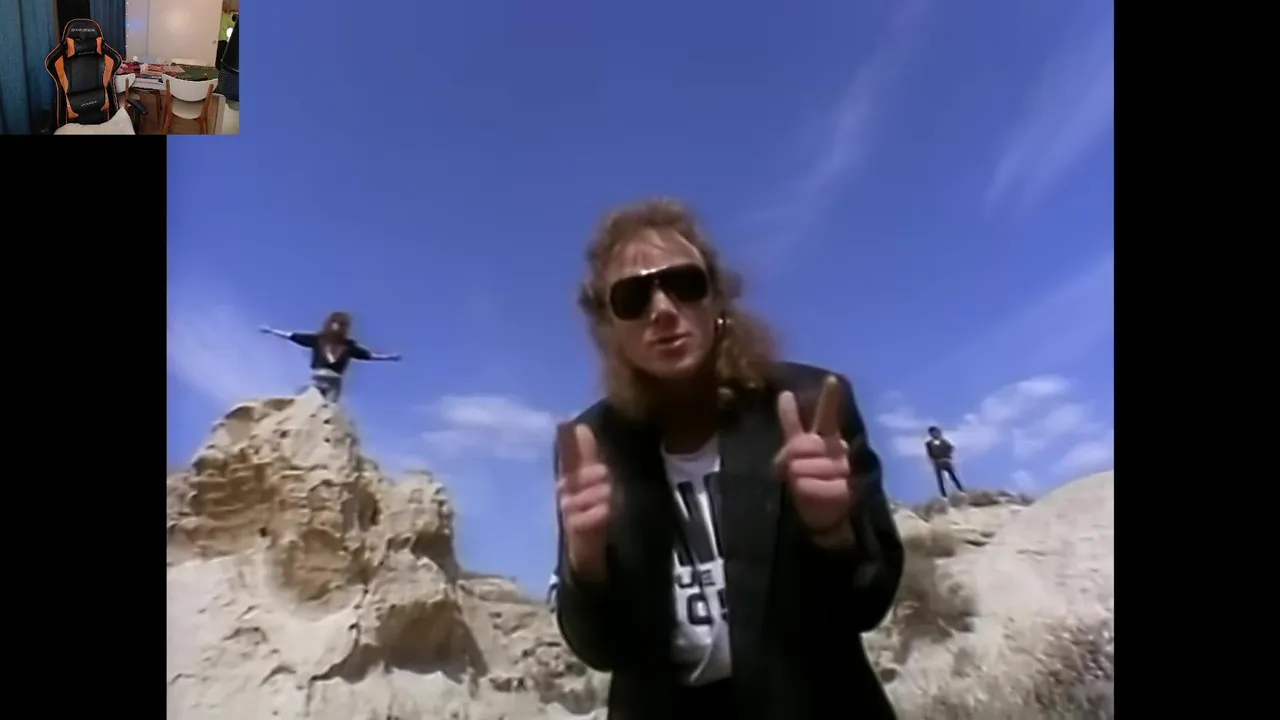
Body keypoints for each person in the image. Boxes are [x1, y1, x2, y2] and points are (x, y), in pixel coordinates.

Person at [552, 198, 904, 719]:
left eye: (684, 283)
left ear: (717, 297)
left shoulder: (810, 408)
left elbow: (868, 604)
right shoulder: (593, 447)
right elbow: (602, 649)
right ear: (609, 327)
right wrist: (585, 561)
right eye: (632, 297)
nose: (662, 309)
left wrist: (833, 531)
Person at [259, 311, 400, 402]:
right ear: (329, 324)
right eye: (334, 323)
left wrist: (389, 357)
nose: (336, 327)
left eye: (340, 324)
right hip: (318, 376)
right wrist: (271, 331)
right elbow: (293, 336)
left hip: (335, 380)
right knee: (307, 400)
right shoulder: (318, 339)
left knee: (329, 407)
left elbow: (368, 355)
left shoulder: (348, 345)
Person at [924, 426, 964, 498]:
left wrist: (948, 457)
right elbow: (930, 453)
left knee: (953, 477)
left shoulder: (944, 441)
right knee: (940, 480)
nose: (935, 434)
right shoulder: (929, 443)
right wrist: (934, 460)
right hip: (937, 462)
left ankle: (961, 491)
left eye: (936, 432)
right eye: (933, 433)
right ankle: (944, 496)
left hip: (946, 461)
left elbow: (951, 448)